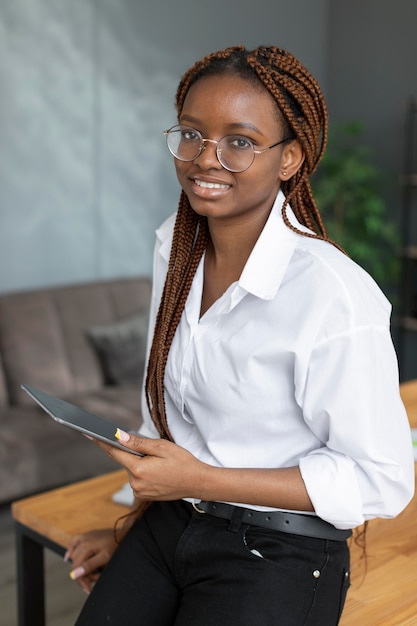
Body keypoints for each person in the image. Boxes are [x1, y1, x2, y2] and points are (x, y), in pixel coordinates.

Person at [66, 45, 414, 625]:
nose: (206, 159)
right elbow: (170, 424)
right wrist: (131, 534)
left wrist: (201, 479)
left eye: (241, 141)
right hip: (173, 521)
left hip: (277, 551)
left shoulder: (333, 294)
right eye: (193, 134)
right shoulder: (174, 251)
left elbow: (380, 479)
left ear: (289, 158)